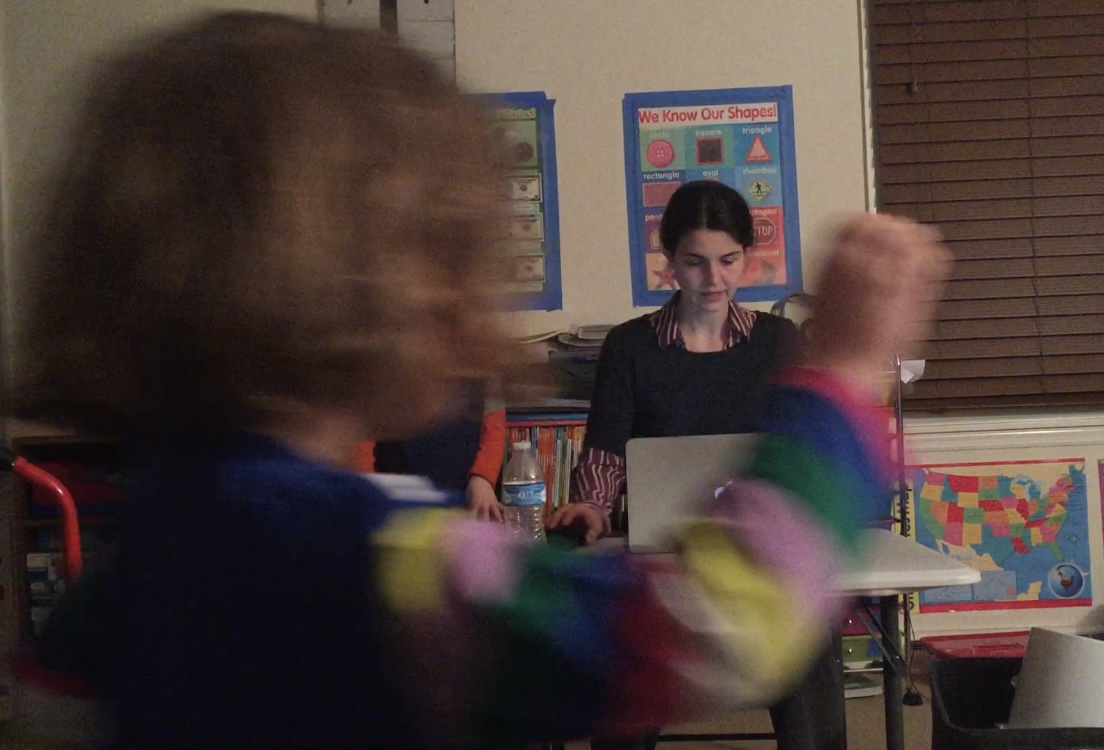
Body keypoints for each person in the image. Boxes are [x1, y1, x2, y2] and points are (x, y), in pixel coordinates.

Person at [9, 11, 951, 750]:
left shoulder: (129, 575)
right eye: (454, 256)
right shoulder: (382, 563)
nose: (480, 301)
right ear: (344, 299)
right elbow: (719, 624)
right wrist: (844, 374)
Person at [545, 180, 856, 750]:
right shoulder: (630, 347)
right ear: (668, 263)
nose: (713, 280)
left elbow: (802, 447)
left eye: (727, 261)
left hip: (758, 559)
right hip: (663, 563)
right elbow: (606, 451)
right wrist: (590, 504)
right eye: (694, 263)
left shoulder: (778, 341)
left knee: (809, 626)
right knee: (615, 639)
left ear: (746, 259)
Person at [351, 379, 508, 520]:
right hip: (396, 500)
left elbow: (494, 425)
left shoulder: (482, 364)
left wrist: (483, 479)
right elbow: (364, 432)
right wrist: (367, 486)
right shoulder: (388, 361)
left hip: (463, 501)